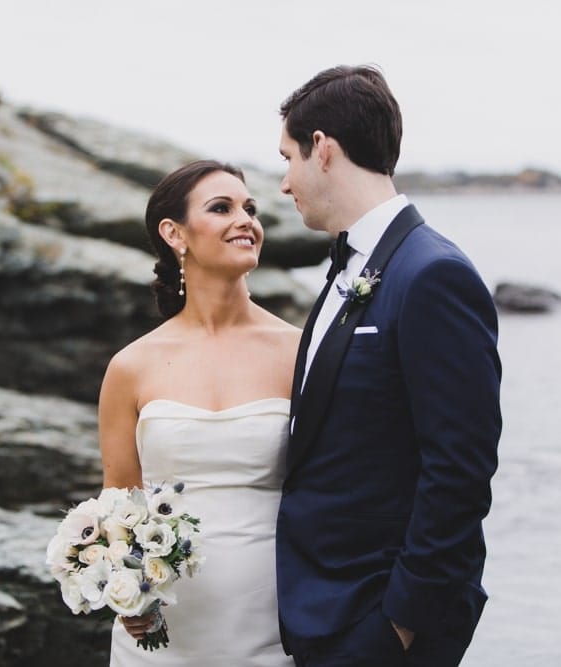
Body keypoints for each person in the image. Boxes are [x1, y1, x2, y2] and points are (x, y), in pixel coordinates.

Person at [275, 65, 502, 666]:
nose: (282, 182)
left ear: (321, 149)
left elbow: (461, 466)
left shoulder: (433, 274)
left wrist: (401, 623)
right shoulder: (349, 267)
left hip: (380, 622)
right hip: (322, 609)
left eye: (287, 158)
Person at [100, 160, 300, 666]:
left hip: (275, 622)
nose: (246, 220)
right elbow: (117, 500)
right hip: (162, 636)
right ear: (174, 233)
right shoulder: (131, 366)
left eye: (250, 209)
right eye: (221, 208)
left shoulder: (300, 353)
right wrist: (121, 590)